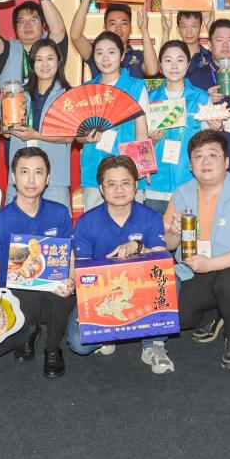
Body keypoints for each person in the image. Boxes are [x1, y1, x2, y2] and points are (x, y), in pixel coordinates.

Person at [162, 131, 230, 370]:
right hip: (195, 271)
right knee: (179, 318)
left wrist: (210, 264)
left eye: (213, 155)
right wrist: (175, 233)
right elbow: (168, 245)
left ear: (226, 162)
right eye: (198, 156)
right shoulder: (182, 193)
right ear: (191, 165)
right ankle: (217, 313)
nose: (205, 161)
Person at [67, 155, 172, 371]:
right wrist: (89, 309)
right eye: (111, 184)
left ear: (135, 185)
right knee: (78, 343)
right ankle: (110, 332)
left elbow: (162, 261)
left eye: (125, 183)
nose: (119, 190)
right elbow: (84, 271)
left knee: (172, 281)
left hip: (142, 290)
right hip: (102, 295)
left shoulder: (151, 217)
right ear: (101, 189)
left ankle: (153, 344)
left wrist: (138, 247)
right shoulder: (87, 222)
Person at [0, 147, 75, 378]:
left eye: (38, 172)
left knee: (59, 289)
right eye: (24, 172)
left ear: (47, 178)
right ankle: (29, 332)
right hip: (14, 295)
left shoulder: (60, 213)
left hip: (51, 292)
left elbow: (70, 258)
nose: (31, 180)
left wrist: (71, 281)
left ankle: (53, 348)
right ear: (13, 177)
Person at [77, 31, 150, 210]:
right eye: (99, 53)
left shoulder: (136, 87)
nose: (105, 58)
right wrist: (86, 137)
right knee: (95, 221)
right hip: (94, 169)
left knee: (132, 221)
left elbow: (142, 131)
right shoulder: (86, 90)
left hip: (128, 170)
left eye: (111, 52)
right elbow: (77, 136)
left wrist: (143, 165)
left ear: (122, 55)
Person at [146, 41, 216, 214]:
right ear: (160, 65)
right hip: (155, 185)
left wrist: (215, 130)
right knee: (156, 231)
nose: (174, 66)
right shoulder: (149, 98)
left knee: (189, 231)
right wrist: (151, 142)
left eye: (180, 60)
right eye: (168, 60)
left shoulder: (201, 98)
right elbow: (138, 144)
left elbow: (208, 145)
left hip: (190, 183)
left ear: (188, 63)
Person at [5, 39, 76, 208]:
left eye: (50, 58)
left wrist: (37, 135)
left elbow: (70, 136)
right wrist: (6, 127)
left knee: (56, 223)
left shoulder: (68, 95)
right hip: (20, 177)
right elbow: (6, 131)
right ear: (32, 64)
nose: (44, 64)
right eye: (39, 59)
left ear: (58, 61)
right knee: (16, 223)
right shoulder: (18, 93)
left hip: (54, 178)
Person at [187, 19, 230, 185]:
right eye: (219, 40)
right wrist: (206, 100)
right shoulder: (194, 77)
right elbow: (186, 117)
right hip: (205, 163)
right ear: (209, 45)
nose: (225, 45)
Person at [0, 0, 69, 86]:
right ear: (15, 28)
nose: (27, 25)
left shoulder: (52, 46)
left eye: (33, 20)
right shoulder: (9, 50)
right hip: (13, 97)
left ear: (43, 25)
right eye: (22, 22)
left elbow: (59, 30)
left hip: (52, 97)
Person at [70, 0, 157, 78]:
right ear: (105, 28)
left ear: (131, 29)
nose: (118, 29)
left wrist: (144, 30)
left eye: (124, 23)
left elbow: (152, 71)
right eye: (113, 23)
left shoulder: (138, 56)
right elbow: (75, 36)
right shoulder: (97, 52)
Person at [162, 9, 214, 74]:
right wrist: (166, 31)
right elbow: (162, 68)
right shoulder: (173, 55)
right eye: (184, 27)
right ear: (178, 29)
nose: (189, 32)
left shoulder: (208, 55)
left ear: (201, 28)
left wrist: (210, 27)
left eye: (194, 26)